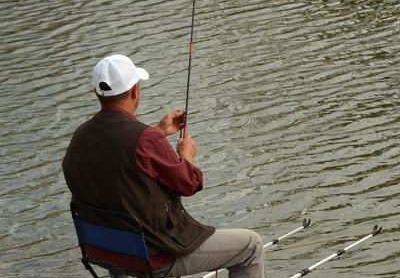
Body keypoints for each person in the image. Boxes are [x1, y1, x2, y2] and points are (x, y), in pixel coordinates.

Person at [62, 54, 267, 278]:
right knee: (251, 246)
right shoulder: (145, 139)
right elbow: (190, 184)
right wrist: (186, 156)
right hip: (153, 256)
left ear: (97, 93)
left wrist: (158, 132)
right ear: (135, 91)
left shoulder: (80, 136)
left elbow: (114, 158)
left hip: (108, 253)